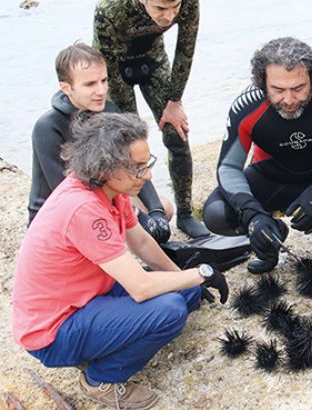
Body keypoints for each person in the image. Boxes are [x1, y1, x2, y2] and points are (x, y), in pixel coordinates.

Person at [12, 112, 229, 410]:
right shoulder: (83, 208)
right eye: (138, 169)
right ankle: (100, 379)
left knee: (185, 291)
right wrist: (201, 273)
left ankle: (104, 342)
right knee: (170, 309)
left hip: (87, 299)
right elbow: (140, 287)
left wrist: (186, 278)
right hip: (53, 331)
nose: (148, 176)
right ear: (106, 167)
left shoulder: (111, 189)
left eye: (147, 164)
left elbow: (140, 241)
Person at [202, 37, 312, 274]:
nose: (288, 100)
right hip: (270, 179)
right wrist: (253, 215)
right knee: (216, 213)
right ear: (262, 83)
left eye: (299, 88)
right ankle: (270, 238)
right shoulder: (246, 107)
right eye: (278, 90)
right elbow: (228, 168)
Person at [93, 0, 208, 238]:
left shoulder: (189, 0)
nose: (169, 16)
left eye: (174, 7)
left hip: (153, 63)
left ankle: (184, 213)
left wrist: (174, 101)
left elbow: (185, 51)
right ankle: (144, 217)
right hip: (116, 69)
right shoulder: (110, 7)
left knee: (177, 135)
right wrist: (129, 122)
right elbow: (105, 66)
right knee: (131, 147)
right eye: (160, 8)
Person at [29, 42, 173, 244]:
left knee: (165, 207)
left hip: (102, 193)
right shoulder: (47, 127)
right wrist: (136, 215)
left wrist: (156, 212)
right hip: (60, 214)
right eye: (90, 84)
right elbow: (67, 191)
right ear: (66, 87)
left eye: (104, 81)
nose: (101, 91)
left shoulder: (110, 111)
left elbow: (136, 165)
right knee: (132, 220)